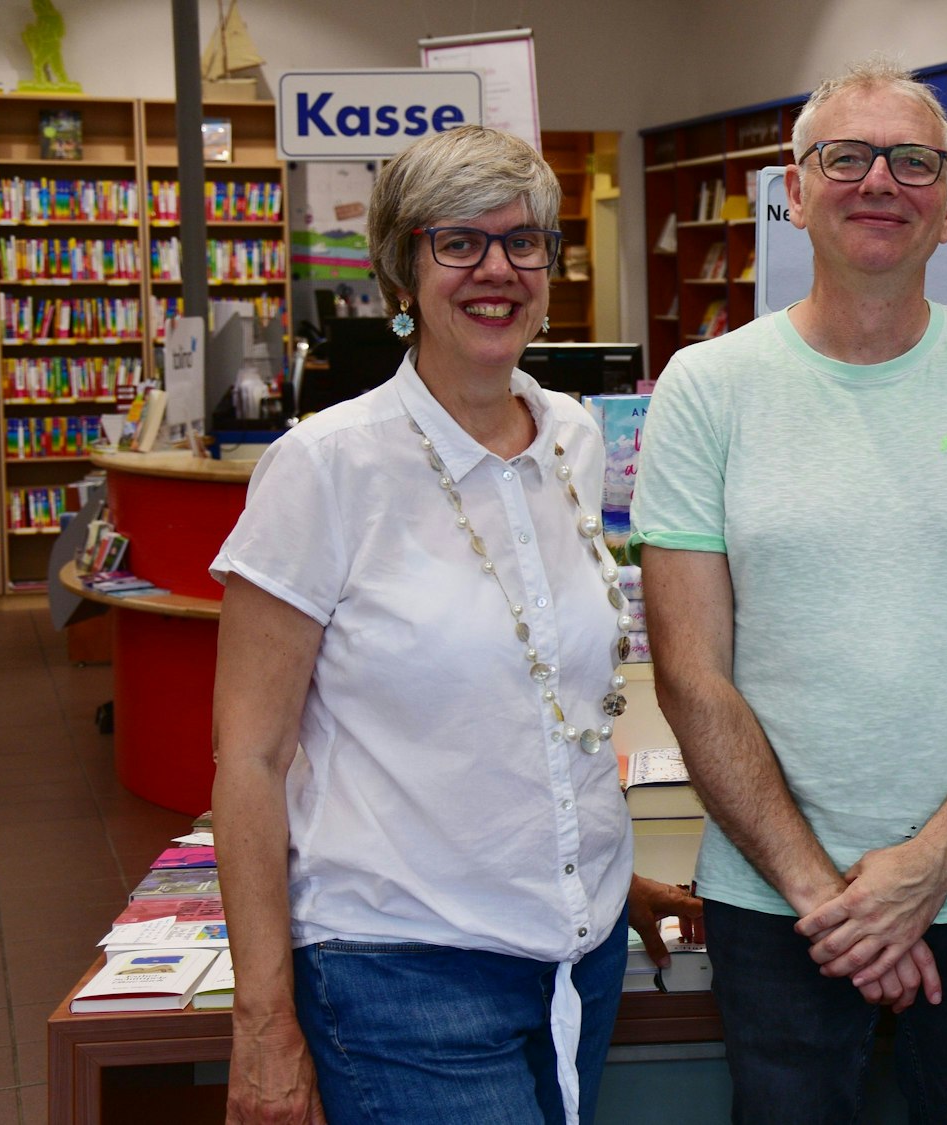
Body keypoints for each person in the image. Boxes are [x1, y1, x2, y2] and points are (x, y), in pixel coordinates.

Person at [630, 57, 947, 1125]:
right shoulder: (707, 389)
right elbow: (691, 672)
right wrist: (829, 900)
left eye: (912, 161)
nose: (877, 181)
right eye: (844, 157)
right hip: (775, 901)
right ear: (792, 193)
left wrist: (924, 874)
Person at [210, 125, 700, 1125]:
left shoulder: (568, 434)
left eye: (523, 241)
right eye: (458, 242)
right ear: (403, 269)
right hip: (403, 972)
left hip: (577, 954)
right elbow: (247, 762)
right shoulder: (325, 469)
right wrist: (262, 1021)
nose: (497, 269)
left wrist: (587, 881)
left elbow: (521, 703)